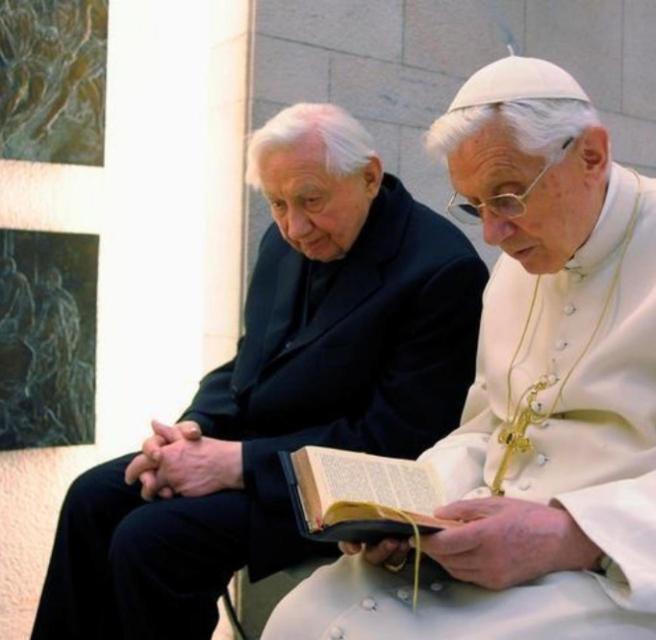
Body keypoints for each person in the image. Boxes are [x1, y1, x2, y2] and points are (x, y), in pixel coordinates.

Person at [262, 57, 656, 640]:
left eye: (509, 197)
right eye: (475, 206)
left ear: (590, 155)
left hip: (648, 570)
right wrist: (405, 508)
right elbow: (487, 429)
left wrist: (571, 534)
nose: (492, 232)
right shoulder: (516, 270)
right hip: (495, 544)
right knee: (298, 618)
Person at [32, 103, 489, 639]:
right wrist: (190, 432)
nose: (295, 227)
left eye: (310, 200)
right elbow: (249, 361)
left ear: (368, 176)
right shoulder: (287, 237)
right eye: (277, 204)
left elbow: (399, 440)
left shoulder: (443, 269)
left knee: (151, 539)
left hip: (332, 488)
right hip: (252, 449)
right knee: (91, 497)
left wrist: (236, 465)